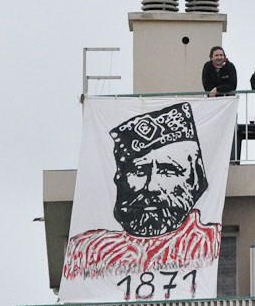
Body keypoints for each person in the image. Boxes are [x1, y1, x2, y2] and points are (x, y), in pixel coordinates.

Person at [62, 102, 221, 282]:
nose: (151, 186)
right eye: (138, 171)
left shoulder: (213, 244)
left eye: (168, 170)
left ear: (197, 177)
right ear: (118, 177)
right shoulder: (86, 252)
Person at [202, 46, 238, 160]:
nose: (219, 57)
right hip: (213, 105)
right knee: (213, 130)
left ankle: (231, 158)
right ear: (211, 57)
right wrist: (215, 90)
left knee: (229, 130)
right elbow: (206, 86)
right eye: (216, 55)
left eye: (221, 55)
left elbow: (232, 85)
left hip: (228, 104)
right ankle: (212, 157)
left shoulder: (230, 67)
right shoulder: (207, 67)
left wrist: (218, 89)